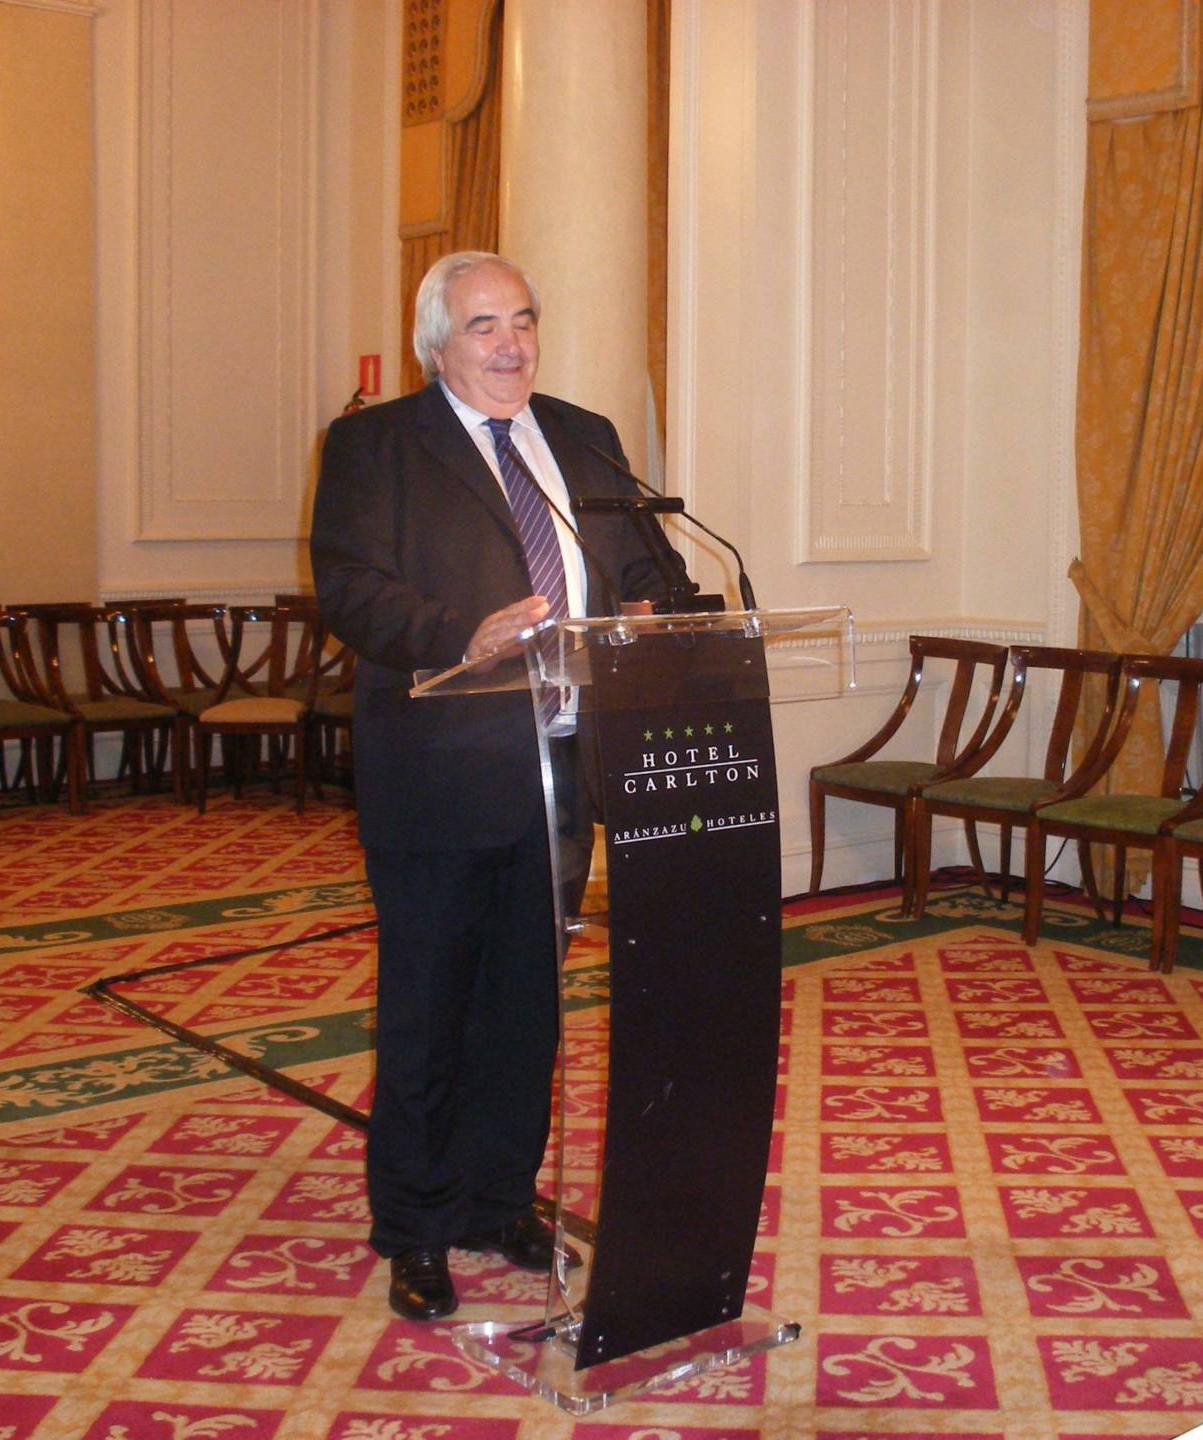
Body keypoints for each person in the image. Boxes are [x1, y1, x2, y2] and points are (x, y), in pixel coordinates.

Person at [311, 251, 677, 1321]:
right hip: (441, 770)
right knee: (429, 1013)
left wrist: (656, 609)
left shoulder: (585, 435)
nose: (511, 344)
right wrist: (456, 635)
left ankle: (497, 1198)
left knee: (527, 1007)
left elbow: (647, 565)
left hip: (563, 770)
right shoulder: (377, 445)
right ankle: (416, 1229)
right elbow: (350, 587)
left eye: (522, 320)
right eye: (484, 326)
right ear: (436, 344)